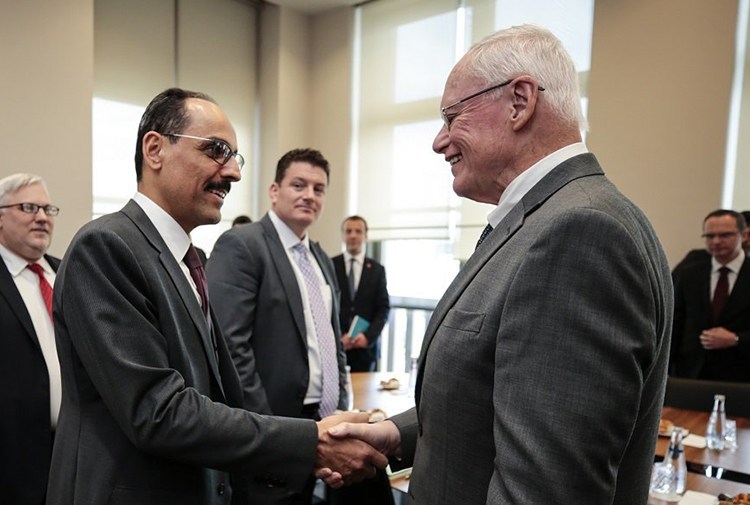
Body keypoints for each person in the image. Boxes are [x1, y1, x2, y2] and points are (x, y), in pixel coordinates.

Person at [326, 25, 673, 505]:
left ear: (519, 102)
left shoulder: (578, 233)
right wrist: (396, 433)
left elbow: (545, 489)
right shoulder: (551, 218)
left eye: (452, 117)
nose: (439, 141)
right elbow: (495, 396)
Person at [46, 88, 386, 505]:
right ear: (155, 149)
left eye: (235, 157)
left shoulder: (190, 259)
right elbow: (158, 412)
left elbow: (213, 394)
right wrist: (306, 442)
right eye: (216, 151)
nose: (234, 173)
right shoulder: (106, 246)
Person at [208, 148, 391, 504]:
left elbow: (331, 339)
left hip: (322, 421)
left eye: (318, 189)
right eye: (299, 185)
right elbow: (230, 348)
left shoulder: (320, 256)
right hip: (271, 425)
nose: (309, 195)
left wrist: (339, 408)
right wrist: (270, 432)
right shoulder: (243, 245)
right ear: (274, 191)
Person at [0, 174, 61, 505]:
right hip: (13, 464)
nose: (41, 217)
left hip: (71, 455)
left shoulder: (68, 274)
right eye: (28, 207)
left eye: (47, 209)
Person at [671, 209, 750, 382]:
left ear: (744, 235)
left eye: (725, 235)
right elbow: (675, 322)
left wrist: (737, 339)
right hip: (691, 373)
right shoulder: (690, 273)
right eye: (710, 236)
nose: (716, 241)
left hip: (741, 375)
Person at [332, 215, 390, 372]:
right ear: (343, 235)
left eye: (358, 231)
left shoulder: (377, 270)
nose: (353, 235)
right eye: (348, 231)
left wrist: (367, 337)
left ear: (365, 236)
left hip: (365, 351)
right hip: (336, 348)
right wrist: (338, 338)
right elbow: (323, 307)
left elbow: (383, 309)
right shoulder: (330, 265)